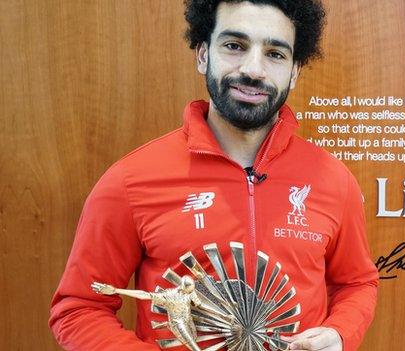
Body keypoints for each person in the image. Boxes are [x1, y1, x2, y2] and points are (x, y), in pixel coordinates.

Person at [49, 1, 379, 350]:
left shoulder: (333, 179)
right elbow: (79, 308)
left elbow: (357, 283)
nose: (254, 70)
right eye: (235, 46)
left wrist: (340, 333)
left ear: (294, 71)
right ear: (204, 54)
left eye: (275, 54)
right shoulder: (131, 180)